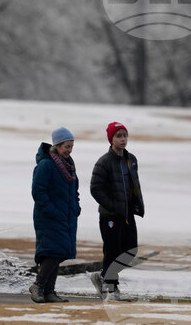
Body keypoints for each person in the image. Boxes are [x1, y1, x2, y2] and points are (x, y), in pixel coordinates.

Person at [89, 121, 144, 301]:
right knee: (112, 251)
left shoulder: (131, 159)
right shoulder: (104, 162)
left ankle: (103, 276)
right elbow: (95, 189)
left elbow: (133, 186)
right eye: (118, 136)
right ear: (111, 139)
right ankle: (111, 289)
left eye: (125, 135)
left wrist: (135, 205)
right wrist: (112, 205)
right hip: (110, 215)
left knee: (130, 250)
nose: (123, 139)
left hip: (127, 214)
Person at [30, 127, 80, 303]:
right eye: (67, 146)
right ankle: (38, 285)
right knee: (53, 252)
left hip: (66, 216)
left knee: (58, 253)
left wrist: (76, 208)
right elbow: (38, 192)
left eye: (71, 146)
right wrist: (53, 211)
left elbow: (74, 191)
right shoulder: (46, 165)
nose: (69, 150)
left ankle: (49, 292)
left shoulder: (69, 166)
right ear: (57, 146)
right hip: (48, 217)